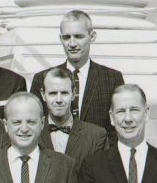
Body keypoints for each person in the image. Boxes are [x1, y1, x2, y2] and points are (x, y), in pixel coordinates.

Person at [30, 10, 124, 139]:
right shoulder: (41, 79)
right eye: (66, 37)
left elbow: (116, 129)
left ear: (92, 36)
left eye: (79, 36)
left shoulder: (112, 79)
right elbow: (35, 125)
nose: (72, 44)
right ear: (60, 39)